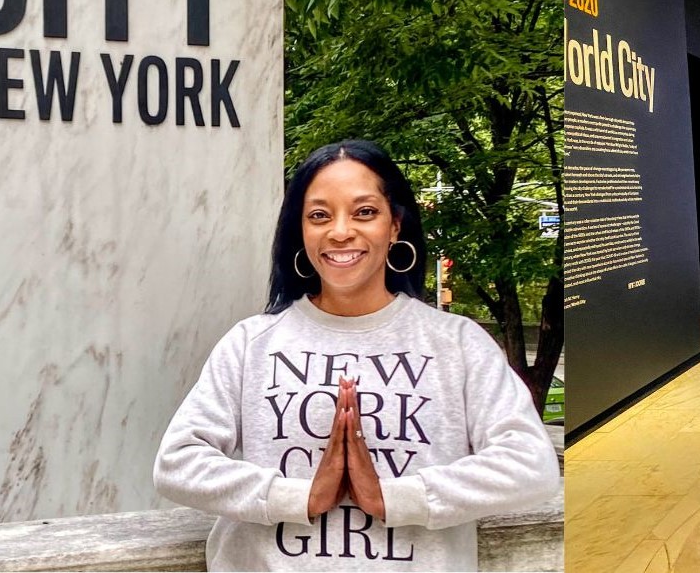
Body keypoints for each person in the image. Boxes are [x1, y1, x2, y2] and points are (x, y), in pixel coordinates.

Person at [153, 140, 559, 570]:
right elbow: (178, 463)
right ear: (301, 231)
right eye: (319, 215)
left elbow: (530, 465)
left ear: (395, 225)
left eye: (364, 212)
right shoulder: (252, 342)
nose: (340, 231)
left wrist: (394, 497)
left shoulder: (456, 344)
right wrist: (298, 496)